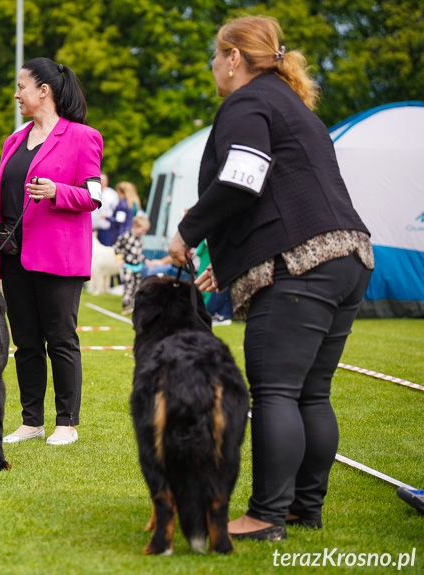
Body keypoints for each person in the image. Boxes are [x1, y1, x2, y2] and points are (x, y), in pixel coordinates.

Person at [167, 15, 373, 541]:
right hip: (347, 259)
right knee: (311, 393)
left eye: (216, 56)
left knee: (277, 392)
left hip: (300, 268)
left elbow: (245, 177)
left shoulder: (246, 102)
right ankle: (305, 508)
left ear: (234, 58)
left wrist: (187, 231)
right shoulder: (292, 105)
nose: (214, 67)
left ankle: (265, 516)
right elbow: (281, 193)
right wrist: (230, 263)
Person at [0, 57, 103, 446]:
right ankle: (32, 421)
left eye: (21, 86)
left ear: (45, 91)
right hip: (14, 257)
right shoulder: (13, 140)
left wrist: (59, 192)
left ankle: (66, 423)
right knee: (25, 342)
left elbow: (94, 195)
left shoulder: (83, 137)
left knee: (60, 340)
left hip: (59, 259)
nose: (16, 93)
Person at [113, 215, 151, 314]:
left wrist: (145, 260)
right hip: (127, 265)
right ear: (135, 226)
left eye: (145, 231)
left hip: (137, 266)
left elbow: (138, 253)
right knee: (129, 284)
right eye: (142, 230)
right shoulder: (126, 236)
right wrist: (119, 258)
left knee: (137, 286)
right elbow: (117, 247)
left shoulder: (140, 240)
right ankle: (126, 305)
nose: (144, 233)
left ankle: (134, 305)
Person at [93, 173, 119, 246]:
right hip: (93, 228)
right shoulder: (93, 191)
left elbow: (116, 210)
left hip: (105, 228)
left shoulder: (111, 194)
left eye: (103, 180)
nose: (101, 182)